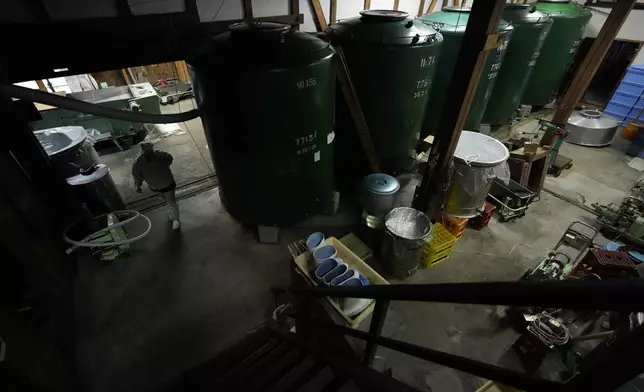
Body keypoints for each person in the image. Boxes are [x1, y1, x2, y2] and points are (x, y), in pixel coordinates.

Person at [132, 142, 181, 230]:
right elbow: (169, 159)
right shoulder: (142, 162)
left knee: (171, 201)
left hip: (162, 185)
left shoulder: (139, 162)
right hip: (160, 185)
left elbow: (137, 176)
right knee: (169, 201)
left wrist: (137, 185)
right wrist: (137, 185)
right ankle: (172, 214)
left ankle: (175, 219)